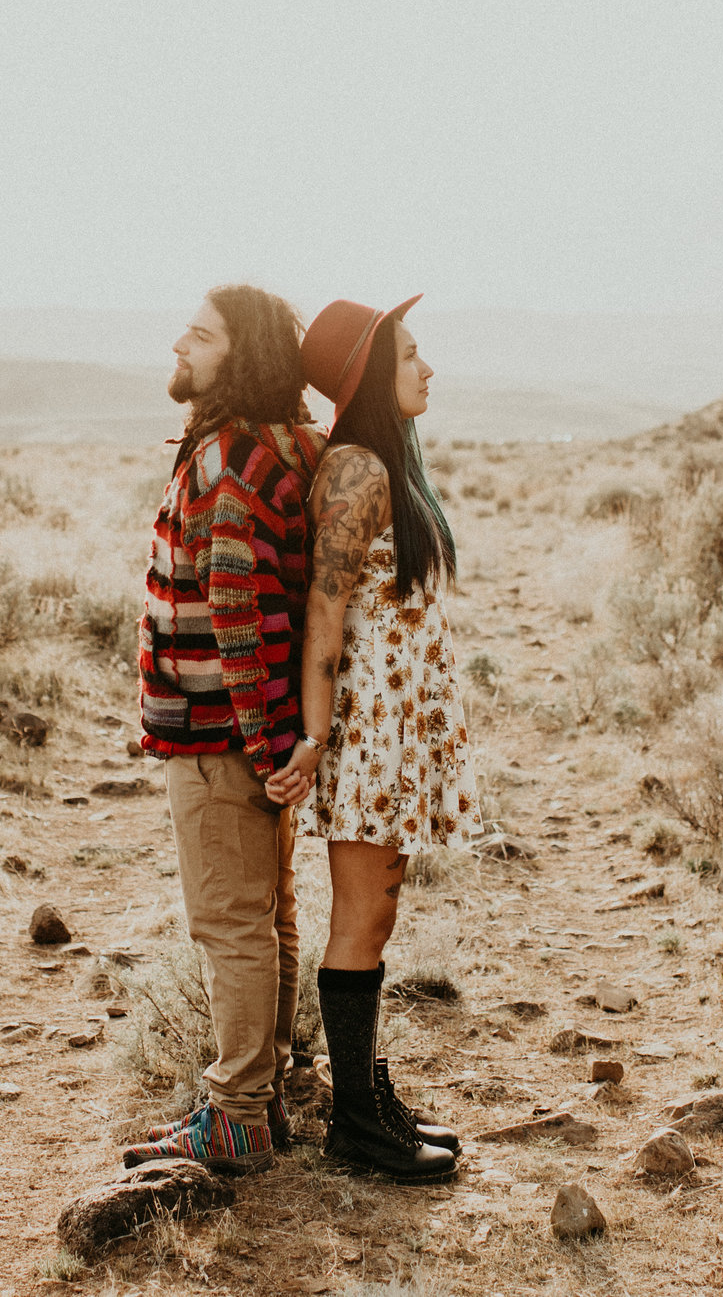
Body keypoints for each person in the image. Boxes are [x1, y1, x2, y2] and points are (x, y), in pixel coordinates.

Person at [267, 295, 473, 1184]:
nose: (428, 368)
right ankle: (356, 1120)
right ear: (369, 380)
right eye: (411, 356)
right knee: (361, 913)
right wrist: (317, 737)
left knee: (378, 908)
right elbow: (325, 607)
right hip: (367, 728)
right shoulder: (355, 466)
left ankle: (367, 1093)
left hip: (397, 722)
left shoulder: (385, 462)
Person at [121, 285, 323, 1175]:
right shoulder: (272, 448)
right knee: (267, 917)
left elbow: (237, 616)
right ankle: (266, 1092)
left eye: (199, 335)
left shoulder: (229, 464)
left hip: (221, 738)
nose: (180, 344)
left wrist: (264, 744)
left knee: (231, 924)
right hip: (254, 736)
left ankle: (239, 1112)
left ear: (238, 356)